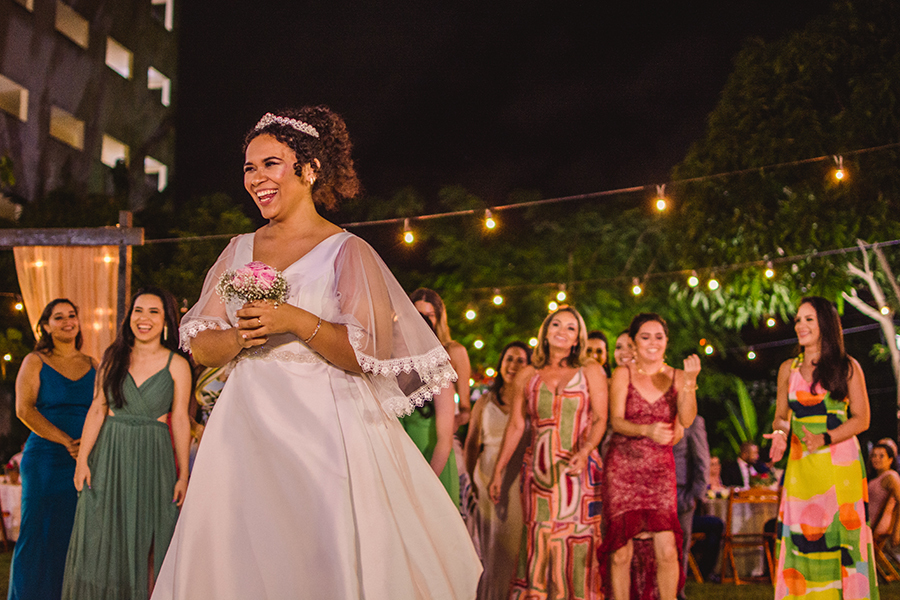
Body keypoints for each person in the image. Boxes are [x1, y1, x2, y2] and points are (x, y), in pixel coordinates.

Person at [150, 107, 481, 599]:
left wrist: (295, 320)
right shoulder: (238, 249)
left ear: (309, 170)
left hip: (324, 427)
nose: (256, 178)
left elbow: (368, 353)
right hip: (245, 427)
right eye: (248, 167)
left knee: (318, 552)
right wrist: (244, 335)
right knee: (238, 550)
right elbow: (200, 343)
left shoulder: (346, 250)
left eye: (270, 164)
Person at [62, 288, 192, 599]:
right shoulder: (113, 357)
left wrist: (184, 474)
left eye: (153, 312)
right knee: (103, 538)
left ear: (166, 322)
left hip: (154, 457)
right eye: (138, 310)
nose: (143, 318)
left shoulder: (177, 364)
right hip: (109, 456)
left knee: (151, 537)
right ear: (129, 317)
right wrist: (82, 461)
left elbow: (181, 420)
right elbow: (97, 408)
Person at [488, 306, 607, 599]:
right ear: (545, 331)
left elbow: (602, 418)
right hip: (539, 474)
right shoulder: (529, 373)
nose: (562, 332)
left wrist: (587, 449)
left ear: (578, 336)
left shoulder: (590, 370)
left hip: (580, 471)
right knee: (539, 540)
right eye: (556, 324)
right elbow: (516, 424)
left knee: (578, 544)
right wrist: (499, 470)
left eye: (570, 327)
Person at [765, 296, 878, 599]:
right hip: (801, 468)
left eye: (808, 319)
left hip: (840, 466)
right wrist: (779, 432)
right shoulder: (788, 369)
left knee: (840, 539)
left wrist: (826, 438)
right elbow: (781, 416)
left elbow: (862, 418)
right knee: (803, 539)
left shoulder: (847, 366)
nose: (800, 325)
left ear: (826, 324)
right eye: (798, 320)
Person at [600, 313, 700, 600]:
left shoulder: (678, 377)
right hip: (623, 469)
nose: (653, 343)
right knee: (621, 553)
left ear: (667, 341)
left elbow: (687, 419)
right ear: (633, 343)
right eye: (645, 337)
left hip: (660, 472)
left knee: (667, 550)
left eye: (659, 337)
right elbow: (616, 421)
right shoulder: (623, 374)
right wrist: (646, 430)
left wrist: (690, 381)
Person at [8, 299, 95, 600]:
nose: (68, 321)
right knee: (37, 533)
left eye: (72, 315)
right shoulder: (35, 360)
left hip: (83, 459)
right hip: (45, 457)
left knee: (72, 534)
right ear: (45, 326)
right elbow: (24, 410)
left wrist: (86, 445)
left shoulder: (93, 365)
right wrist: (64, 440)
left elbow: (102, 410)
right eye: (59, 317)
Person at [464, 341, 531, 600]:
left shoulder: (530, 401)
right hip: (486, 475)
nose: (513, 366)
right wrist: (470, 479)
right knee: (489, 546)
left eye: (520, 360)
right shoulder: (485, 401)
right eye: (509, 359)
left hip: (517, 477)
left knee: (514, 545)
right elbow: (471, 443)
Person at [400, 314, 460, 506]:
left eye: (403, 333)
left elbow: (445, 439)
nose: (398, 338)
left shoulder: (439, 373)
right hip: (402, 468)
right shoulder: (390, 375)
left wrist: (428, 483)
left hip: (434, 465)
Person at [410, 288, 473, 429]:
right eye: (418, 315)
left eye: (430, 315)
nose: (424, 320)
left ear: (438, 318)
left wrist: (450, 425)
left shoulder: (455, 352)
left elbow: (465, 410)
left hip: (439, 432)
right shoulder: (401, 352)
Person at [673, 415, 710, 598]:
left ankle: (677, 592)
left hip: (680, 495)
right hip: (651, 493)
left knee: (679, 548)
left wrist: (695, 496)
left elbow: (702, 460)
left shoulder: (692, 421)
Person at [868, 442, 900, 550]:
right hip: (870, 524)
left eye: (881, 456)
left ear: (890, 460)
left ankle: (860, 566)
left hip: (876, 526)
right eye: (874, 455)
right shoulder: (875, 477)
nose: (876, 459)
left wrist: (897, 530)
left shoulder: (890, 476)